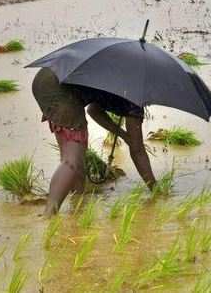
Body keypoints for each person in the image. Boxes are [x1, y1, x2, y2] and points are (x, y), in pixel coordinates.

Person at [32, 67, 155, 216]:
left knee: (75, 157)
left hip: (46, 78)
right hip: (60, 89)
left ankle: (77, 203)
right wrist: (155, 189)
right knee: (71, 161)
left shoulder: (123, 78)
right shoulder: (135, 99)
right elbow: (138, 150)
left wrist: (122, 134)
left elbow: (93, 109)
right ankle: (49, 213)